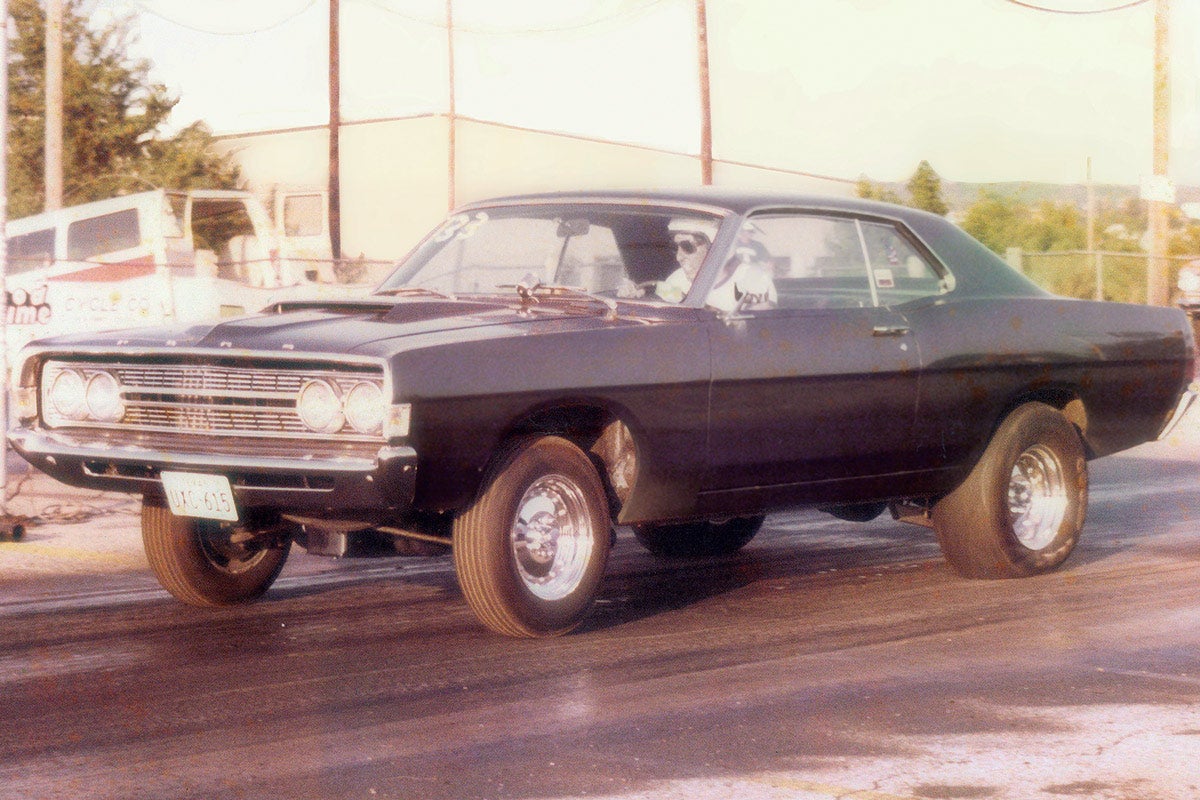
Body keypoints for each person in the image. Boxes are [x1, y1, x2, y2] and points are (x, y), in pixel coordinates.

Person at [655, 217, 720, 303]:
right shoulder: (676, 280)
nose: (678, 257)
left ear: (712, 248)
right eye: (675, 247)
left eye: (687, 247)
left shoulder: (740, 282)